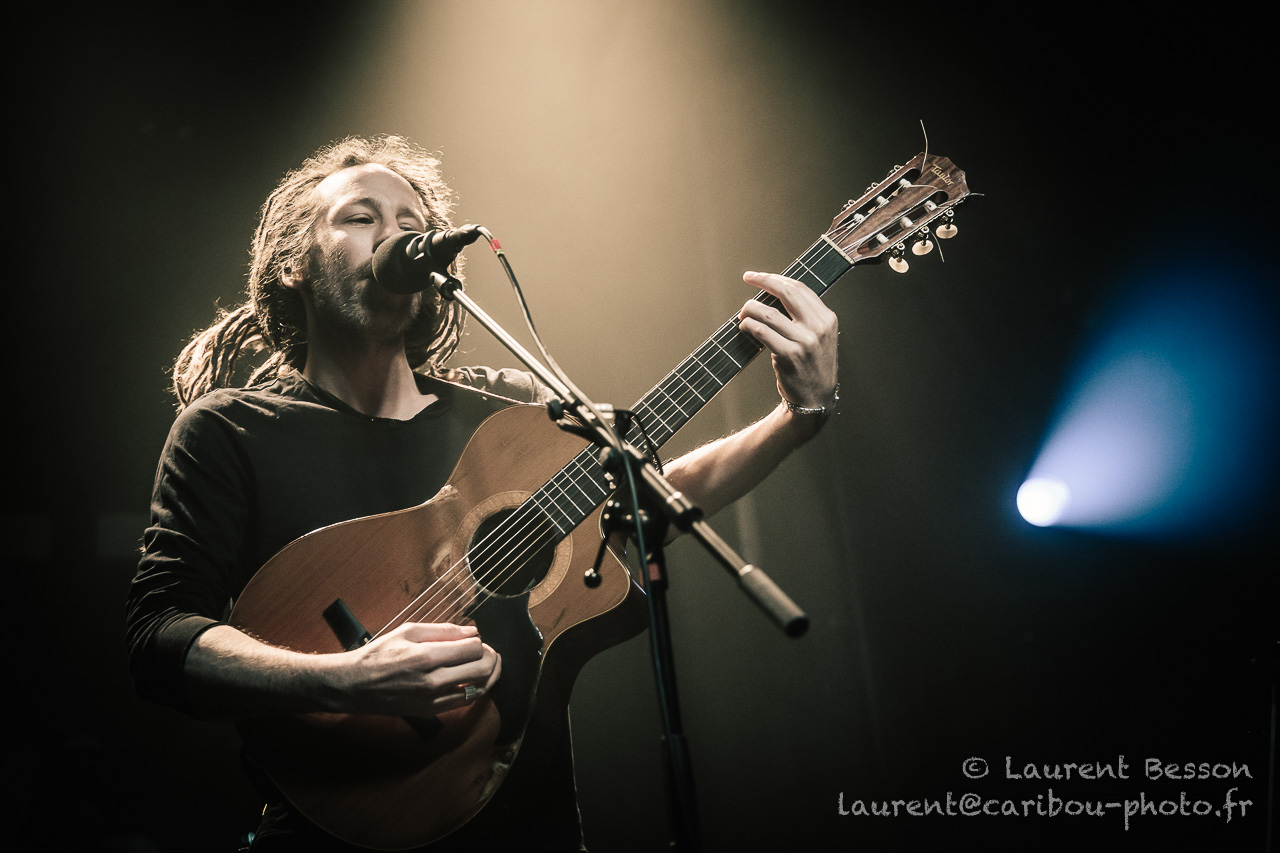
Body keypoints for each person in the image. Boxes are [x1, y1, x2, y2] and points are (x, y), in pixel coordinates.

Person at [126, 134, 839, 852]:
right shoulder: (231, 430)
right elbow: (160, 637)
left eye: (411, 224)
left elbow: (644, 497)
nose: (394, 235)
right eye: (361, 217)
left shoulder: (508, 413)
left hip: (530, 829)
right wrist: (344, 678)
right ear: (294, 264)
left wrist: (796, 419)